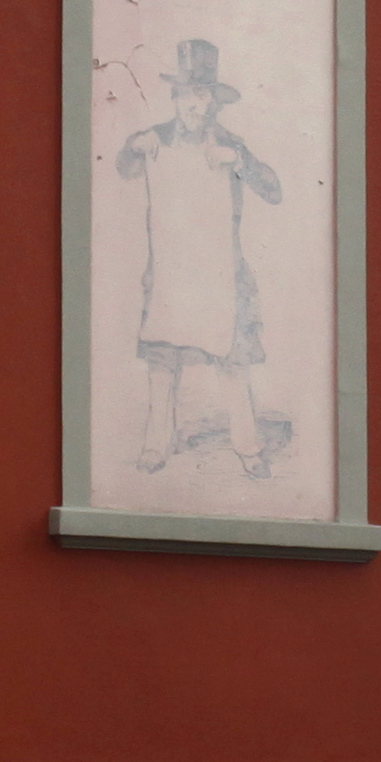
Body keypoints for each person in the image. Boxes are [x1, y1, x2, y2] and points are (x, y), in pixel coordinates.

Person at [114, 38, 289, 483]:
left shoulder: (230, 143)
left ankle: (248, 449)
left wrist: (240, 162)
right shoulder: (156, 138)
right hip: (171, 273)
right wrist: (134, 147)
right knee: (161, 362)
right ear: (176, 97)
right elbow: (123, 168)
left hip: (219, 276)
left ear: (214, 102)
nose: (198, 104)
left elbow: (274, 190)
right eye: (190, 94)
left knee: (232, 362)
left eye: (205, 96)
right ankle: (156, 445)